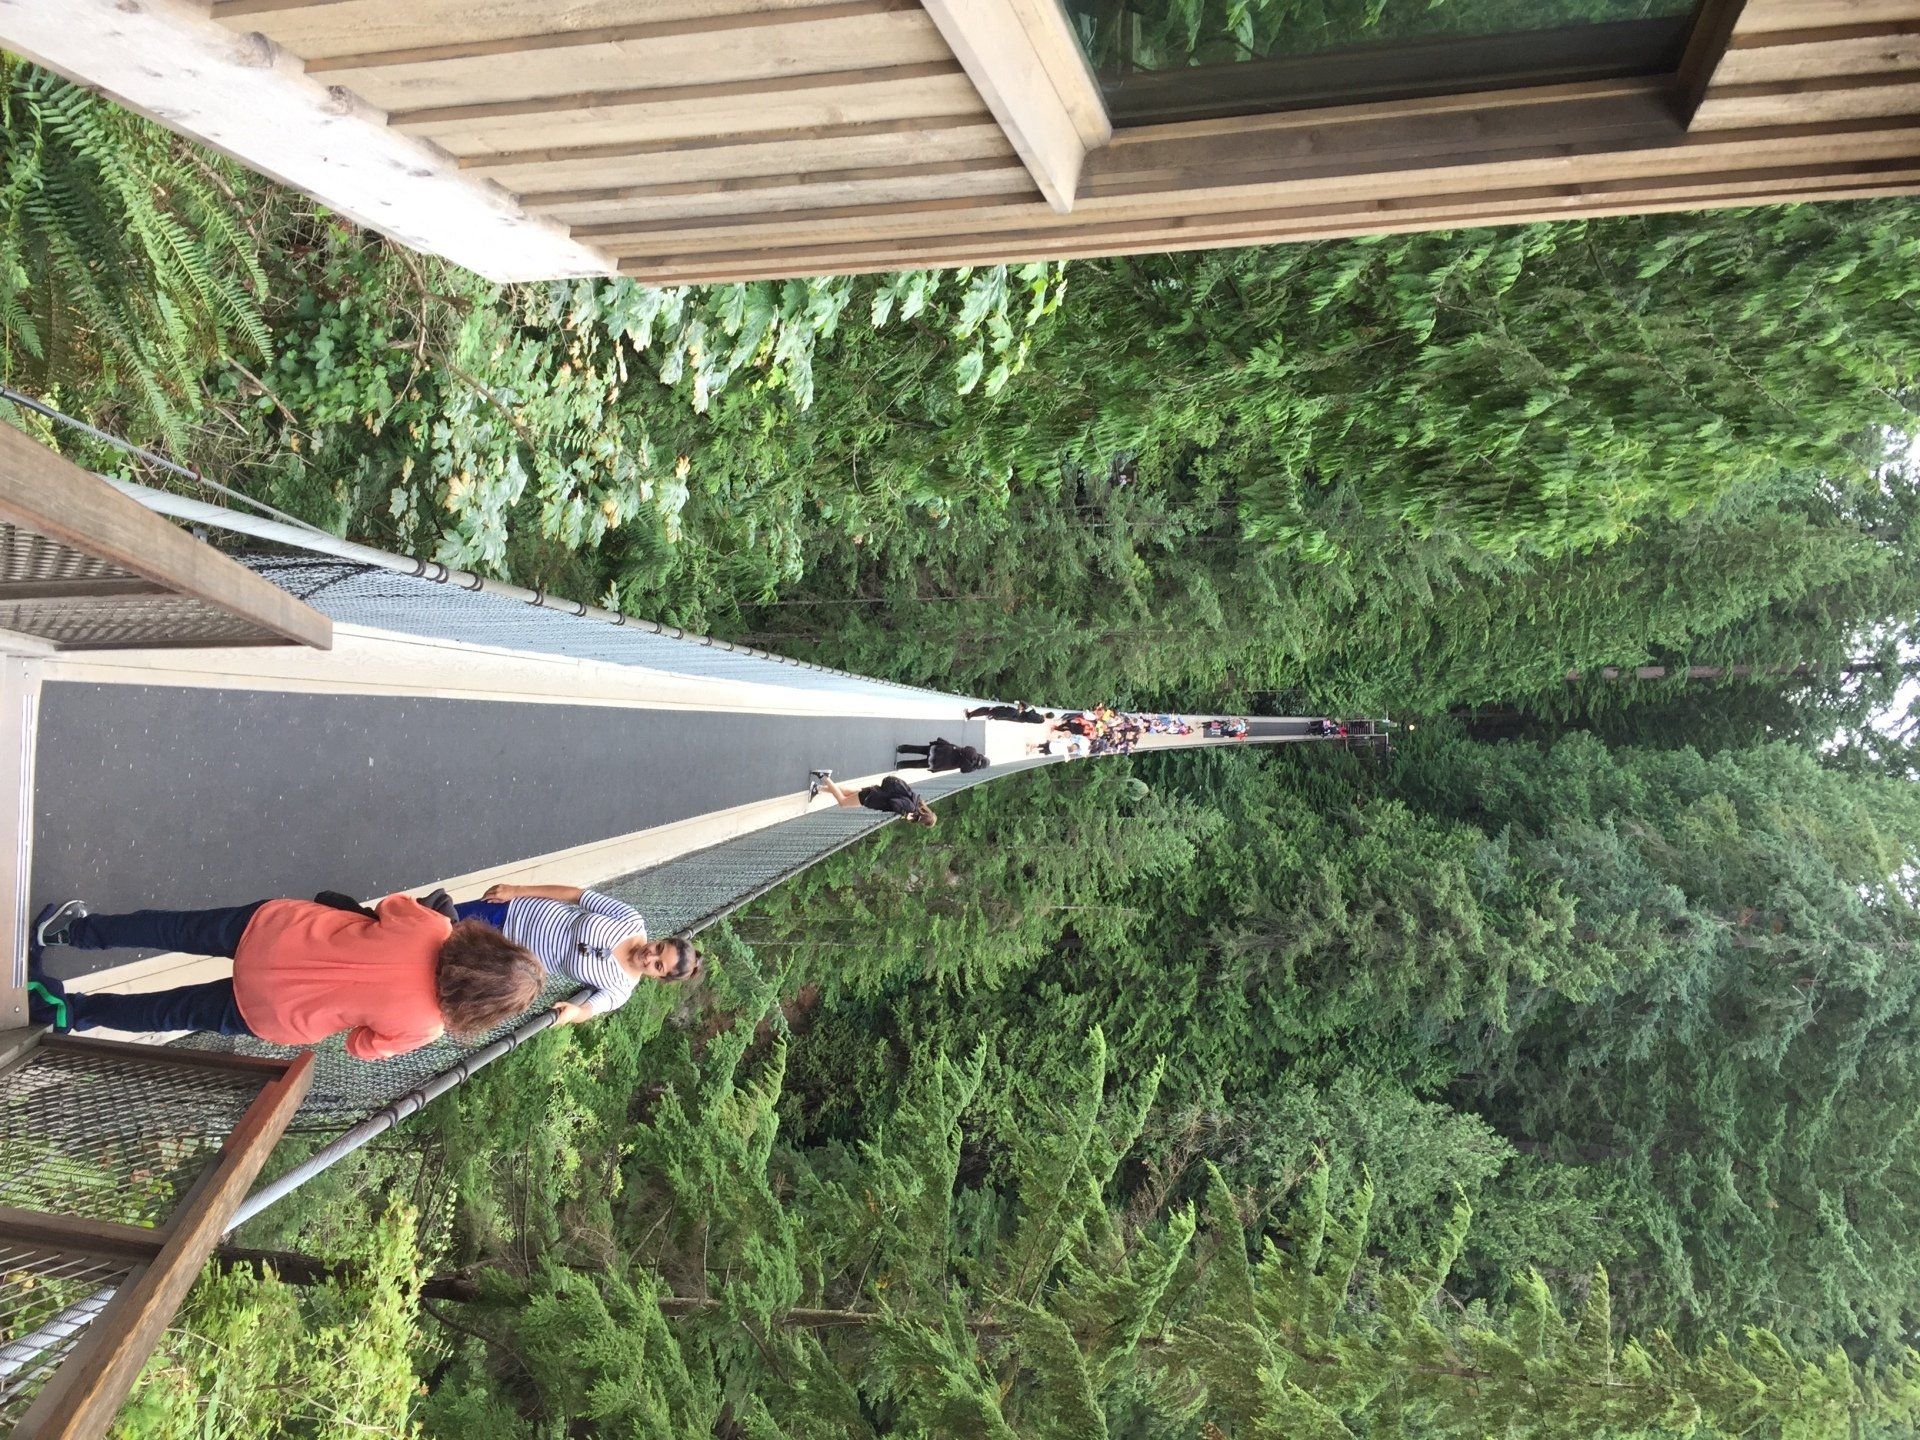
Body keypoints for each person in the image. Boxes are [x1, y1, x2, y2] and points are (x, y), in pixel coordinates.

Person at [26, 894, 540, 1059]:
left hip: (273, 932)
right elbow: (360, 1046)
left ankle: (67, 935)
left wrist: (445, 922)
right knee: (168, 1011)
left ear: (487, 946)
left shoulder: (429, 927)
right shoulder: (424, 1028)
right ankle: (70, 1012)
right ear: (483, 1009)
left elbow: (391, 906)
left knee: (171, 928)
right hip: (274, 1009)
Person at [453, 883, 700, 1026]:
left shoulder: (620, 989)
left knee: (439, 950)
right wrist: (516, 890)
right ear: (661, 940)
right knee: (438, 916)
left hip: (504, 953)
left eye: (658, 966)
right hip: (514, 911)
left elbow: (588, 1010)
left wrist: (573, 1013)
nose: (650, 956)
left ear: (658, 977)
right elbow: (577, 896)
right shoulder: (632, 921)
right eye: (659, 948)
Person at [808, 769, 936, 826]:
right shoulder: (911, 808)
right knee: (843, 802)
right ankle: (824, 777)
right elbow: (893, 802)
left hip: (875, 793)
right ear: (923, 820)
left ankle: (817, 788)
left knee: (847, 793)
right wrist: (904, 813)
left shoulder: (916, 802)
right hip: (872, 797)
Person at [895, 738, 988, 774]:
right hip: (943, 763)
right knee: (919, 764)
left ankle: (901, 749)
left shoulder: (973, 751)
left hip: (944, 751)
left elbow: (966, 748)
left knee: (920, 749)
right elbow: (962, 771)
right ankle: (900, 765)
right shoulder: (970, 768)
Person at [965, 703, 1048, 723]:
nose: (1018, 704)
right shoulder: (1016, 713)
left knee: (982, 710)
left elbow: (1004, 710)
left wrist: (994, 709)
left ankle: (969, 715)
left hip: (996, 711)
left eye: (1020, 704)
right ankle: (970, 715)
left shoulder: (1014, 710)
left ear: (1022, 707)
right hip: (996, 714)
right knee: (982, 711)